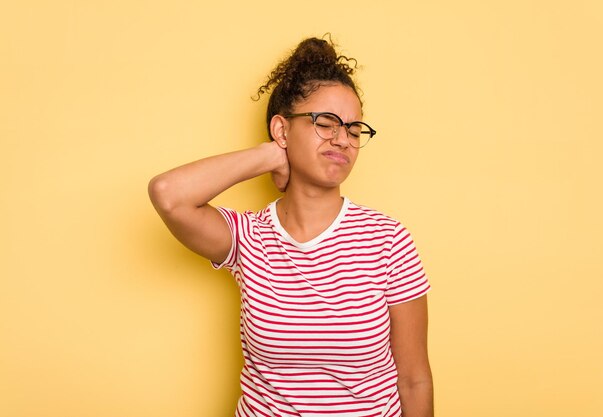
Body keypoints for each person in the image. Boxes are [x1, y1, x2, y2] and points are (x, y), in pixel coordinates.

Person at [148, 36, 433, 417]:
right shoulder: (249, 238)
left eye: (353, 128)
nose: (342, 139)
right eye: (326, 122)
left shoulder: (388, 240)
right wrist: (270, 154)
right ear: (282, 130)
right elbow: (168, 193)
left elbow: (414, 378)